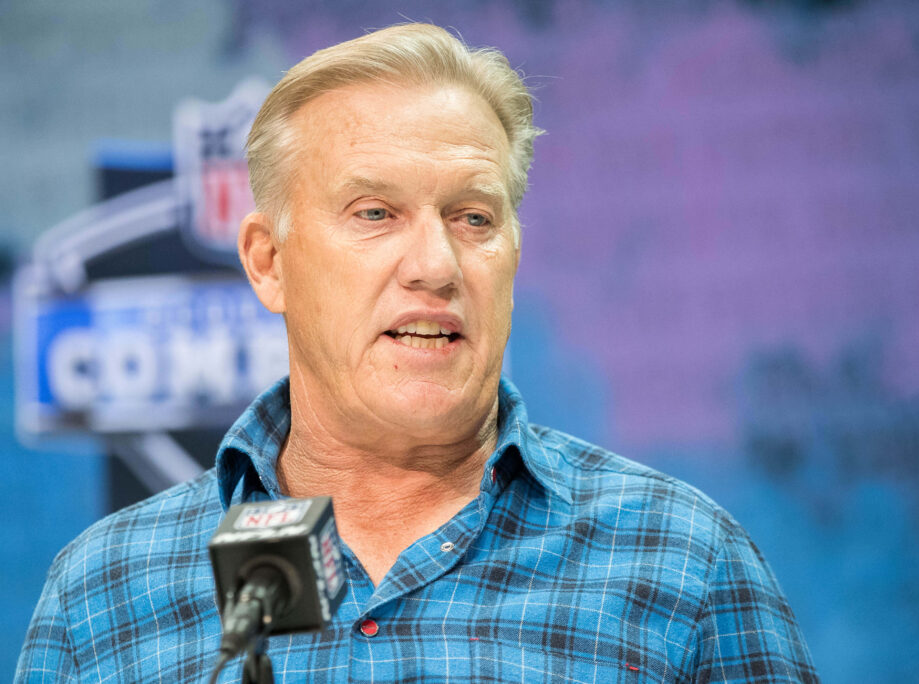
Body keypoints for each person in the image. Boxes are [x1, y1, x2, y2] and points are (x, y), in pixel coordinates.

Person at [17, 23, 817, 682]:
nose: (436, 264)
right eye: (374, 213)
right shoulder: (104, 593)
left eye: (473, 218)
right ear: (268, 262)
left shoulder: (680, 561)